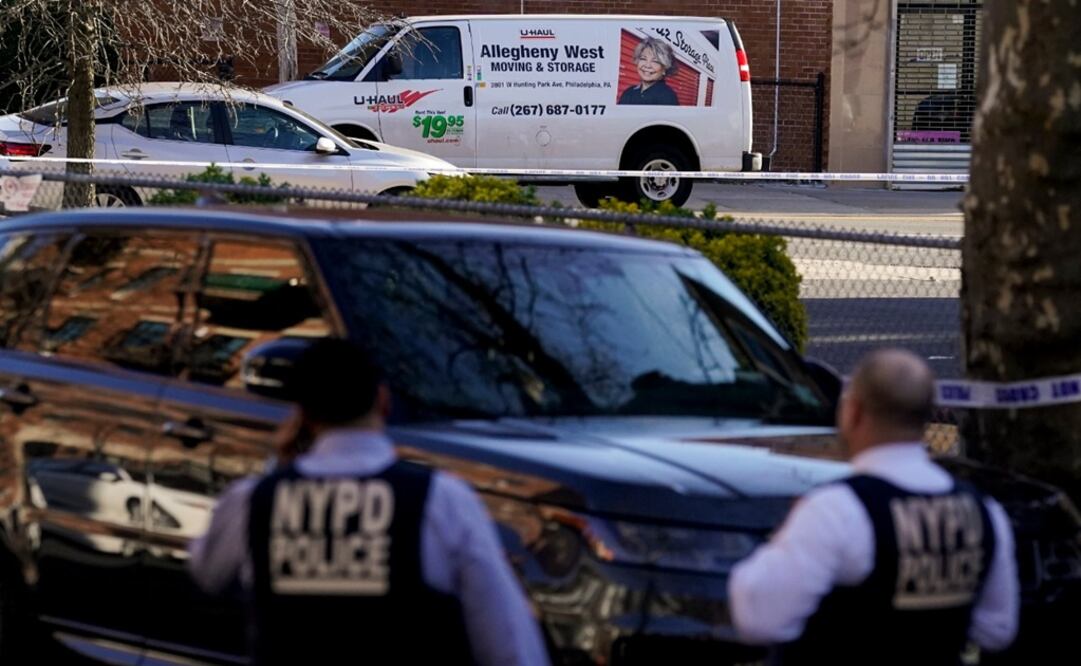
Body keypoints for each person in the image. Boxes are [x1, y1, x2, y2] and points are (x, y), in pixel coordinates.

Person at [189, 338, 549, 666]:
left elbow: (208, 572)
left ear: (303, 412)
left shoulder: (254, 501)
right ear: (383, 400)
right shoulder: (441, 500)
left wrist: (281, 472)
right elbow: (509, 644)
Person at [728, 348, 1019, 664]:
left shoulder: (837, 509)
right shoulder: (984, 511)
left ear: (853, 412)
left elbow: (758, 618)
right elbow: (997, 629)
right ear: (925, 417)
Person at [619, 37, 680, 105]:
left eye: (655, 61)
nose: (647, 65)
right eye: (643, 59)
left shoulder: (668, 97)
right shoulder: (629, 92)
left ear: (664, 69)